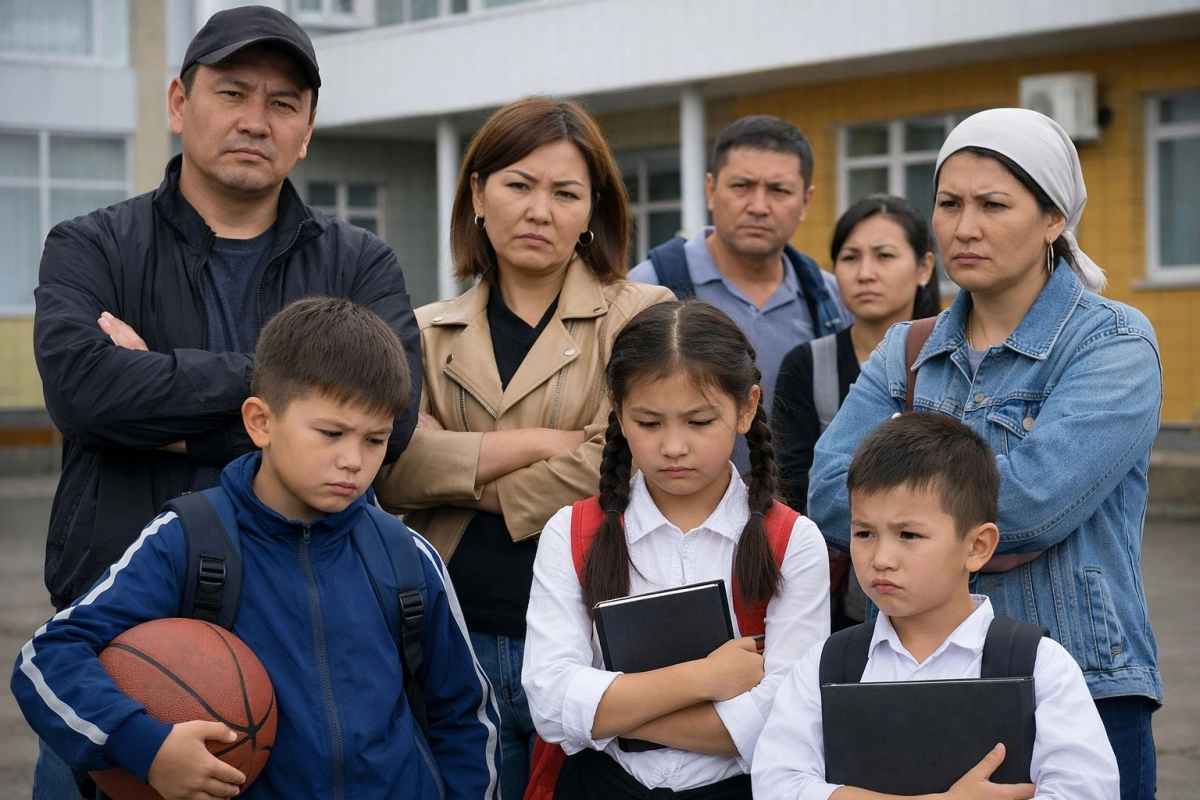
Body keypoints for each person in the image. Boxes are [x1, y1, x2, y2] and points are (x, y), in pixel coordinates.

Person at [31, 8, 422, 795]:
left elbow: (395, 418)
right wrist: (286, 400)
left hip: (306, 638)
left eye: (283, 103)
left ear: (307, 128)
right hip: (124, 644)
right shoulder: (92, 245)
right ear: (180, 103)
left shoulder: (359, 262)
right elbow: (84, 392)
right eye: (233, 92)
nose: (255, 120)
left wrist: (161, 407)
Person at [12, 297, 500, 800]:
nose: (353, 460)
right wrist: (146, 745)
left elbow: (464, 717)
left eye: (374, 440)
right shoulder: (190, 540)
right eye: (331, 433)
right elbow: (46, 659)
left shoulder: (407, 556)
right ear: (260, 422)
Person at [807, 108, 1161, 799]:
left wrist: (898, 512)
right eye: (949, 203)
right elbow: (827, 491)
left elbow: (1030, 506)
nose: (965, 227)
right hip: (917, 679)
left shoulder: (1111, 344)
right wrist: (943, 521)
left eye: (993, 204)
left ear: (1054, 218)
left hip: (1086, 681)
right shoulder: (908, 350)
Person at [373, 96, 673, 799]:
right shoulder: (422, 330)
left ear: (593, 209)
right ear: (478, 194)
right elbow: (391, 465)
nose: (540, 211)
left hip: (596, 642)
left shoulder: (645, 316)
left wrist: (464, 470)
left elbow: (631, 456)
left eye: (565, 192)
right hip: (453, 637)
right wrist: (546, 441)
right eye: (518, 185)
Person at [522, 300, 830, 799]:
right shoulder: (571, 532)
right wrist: (706, 678)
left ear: (746, 408)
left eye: (699, 422)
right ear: (619, 414)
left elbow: (784, 718)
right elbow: (552, 702)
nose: (673, 446)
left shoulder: (792, 541)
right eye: (648, 422)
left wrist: (612, 711)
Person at [753, 413, 1119, 800]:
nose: (881, 558)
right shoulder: (829, 665)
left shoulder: (1037, 665)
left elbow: (1085, 789)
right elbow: (777, 782)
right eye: (864, 533)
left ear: (977, 546)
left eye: (908, 534)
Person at [627, 116, 851, 438]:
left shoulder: (831, 299)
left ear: (805, 202)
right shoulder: (649, 287)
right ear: (711, 190)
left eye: (779, 190)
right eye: (742, 186)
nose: (759, 206)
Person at [773, 195, 938, 629]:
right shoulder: (807, 364)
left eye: (885, 256)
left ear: (924, 267)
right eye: (850, 258)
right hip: (836, 600)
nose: (865, 273)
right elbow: (791, 485)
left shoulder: (955, 358)